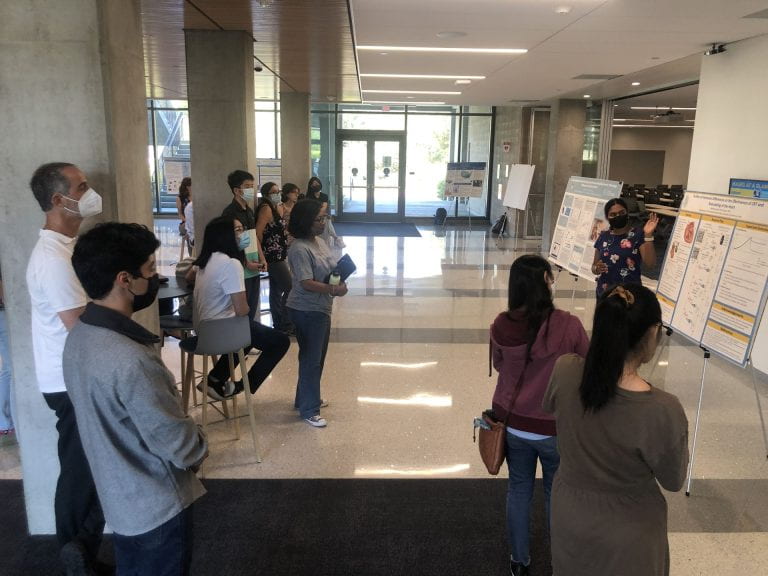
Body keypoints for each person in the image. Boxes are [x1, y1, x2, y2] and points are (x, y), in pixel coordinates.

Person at [64, 222, 208, 576]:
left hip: (117, 496)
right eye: (150, 270)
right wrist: (200, 445)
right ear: (124, 279)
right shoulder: (131, 358)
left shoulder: (80, 335)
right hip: (155, 504)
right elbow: (179, 445)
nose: (155, 279)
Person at [543, 284, 689, 576]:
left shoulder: (566, 370)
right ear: (651, 333)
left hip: (569, 513)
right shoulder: (661, 408)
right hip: (629, 532)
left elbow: (551, 408)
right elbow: (673, 480)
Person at [25, 162, 106, 575]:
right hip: (68, 379)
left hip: (74, 375)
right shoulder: (53, 258)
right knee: (80, 470)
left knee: (88, 465)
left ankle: (83, 549)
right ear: (59, 200)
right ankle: (77, 552)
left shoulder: (65, 249)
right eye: (82, 187)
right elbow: (81, 325)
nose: (90, 193)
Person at [490, 255, 589, 576]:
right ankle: (559, 558)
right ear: (545, 282)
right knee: (553, 493)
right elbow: (588, 366)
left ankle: (519, 561)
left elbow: (501, 366)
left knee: (518, 489)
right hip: (553, 427)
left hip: (514, 424)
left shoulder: (501, 325)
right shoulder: (568, 325)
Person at [192, 217, 290, 400]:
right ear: (225, 236)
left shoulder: (205, 261)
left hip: (205, 328)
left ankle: (215, 379)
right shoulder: (231, 264)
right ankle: (239, 386)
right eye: (238, 230)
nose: (243, 234)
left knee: (250, 333)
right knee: (280, 342)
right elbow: (241, 310)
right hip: (223, 330)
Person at [286, 199, 349, 427]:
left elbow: (329, 270)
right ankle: (309, 409)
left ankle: (304, 398)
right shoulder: (299, 248)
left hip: (321, 307)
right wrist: (334, 289)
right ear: (305, 221)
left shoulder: (320, 243)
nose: (323, 223)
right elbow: (306, 282)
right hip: (306, 309)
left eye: (324, 218)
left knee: (315, 357)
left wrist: (339, 279)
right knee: (312, 359)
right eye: (318, 219)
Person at [591, 197, 659, 297]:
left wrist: (648, 235)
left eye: (622, 212)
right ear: (607, 217)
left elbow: (651, 264)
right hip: (605, 294)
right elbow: (594, 267)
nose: (618, 216)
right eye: (613, 215)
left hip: (630, 296)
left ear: (627, 212)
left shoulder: (637, 234)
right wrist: (597, 268)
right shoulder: (603, 236)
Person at [222, 170, 261, 317]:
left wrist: (262, 258)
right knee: (242, 310)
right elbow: (229, 243)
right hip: (240, 267)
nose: (251, 190)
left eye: (252, 186)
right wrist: (245, 262)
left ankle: (250, 338)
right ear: (237, 190)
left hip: (253, 264)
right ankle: (243, 339)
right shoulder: (229, 213)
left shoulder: (249, 211)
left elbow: (254, 236)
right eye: (247, 186)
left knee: (252, 306)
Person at [256, 182, 293, 333]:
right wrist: (260, 256)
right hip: (272, 256)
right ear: (266, 194)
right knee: (290, 288)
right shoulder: (265, 208)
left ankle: (279, 323)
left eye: (278, 191)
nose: (277, 194)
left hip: (279, 254)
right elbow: (257, 233)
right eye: (273, 191)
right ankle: (285, 322)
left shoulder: (275, 207)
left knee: (276, 290)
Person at [0, 266, 15, 445]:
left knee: (7, 370)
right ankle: (8, 422)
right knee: (12, 370)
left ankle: (4, 420)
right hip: (3, 315)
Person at [176, 177, 192, 255]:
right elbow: (180, 214)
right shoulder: (179, 198)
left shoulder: (195, 196)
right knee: (189, 233)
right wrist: (187, 220)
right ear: (188, 187)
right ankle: (192, 256)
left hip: (193, 223)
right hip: (184, 223)